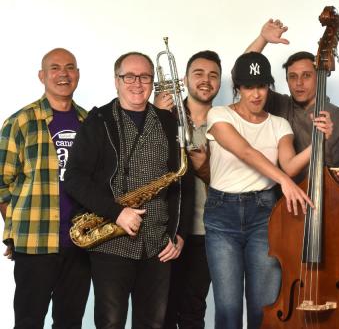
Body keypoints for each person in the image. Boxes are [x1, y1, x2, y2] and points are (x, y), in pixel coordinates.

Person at [64, 51, 192, 328]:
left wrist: (179, 233)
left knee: (153, 324)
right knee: (110, 324)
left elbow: (184, 182)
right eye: (129, 76)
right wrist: (117, 211)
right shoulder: (98, 121)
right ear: (116, 81)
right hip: (111, 242)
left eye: (145, 77)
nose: (137, 83)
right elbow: (73, 177)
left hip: (158, 245)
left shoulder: (169, 121)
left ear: (152, 81)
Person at [204, 51, 330, 329]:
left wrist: (318, 140)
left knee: (264, 306)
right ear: (237, 88)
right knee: (228, 308)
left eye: (262, 86)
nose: (256, 94)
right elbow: (246, 152)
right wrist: (283, 181)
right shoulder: (219, 115)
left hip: (263, 215)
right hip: (221, 215)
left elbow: (290, 165)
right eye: (249, 87)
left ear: (269, 87)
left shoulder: (279, 124)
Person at [0, 48, 90, 328]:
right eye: (55, 68)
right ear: (42, 75)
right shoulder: (21, 122)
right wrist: (16, 229)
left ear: (77, 74)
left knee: (70, 322)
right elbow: (1, 183)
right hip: (35, 243)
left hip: (81, 243)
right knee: (28, 321)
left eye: (70, 67)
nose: (63, 73)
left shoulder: (90, 123)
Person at [155, 50, 222, 329]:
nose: (206, 81)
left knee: (194, 309)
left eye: (213, 75)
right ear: (184, 79)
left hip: (208, 232)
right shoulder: (163, 116)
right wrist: (155, 114)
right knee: (162, 310)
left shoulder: (227, 122)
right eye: (199, 74)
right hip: (167, 229)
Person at [246, 18, 339, 182]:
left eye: (306, 75)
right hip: (279, 200)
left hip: (324, 202)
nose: (299, 83)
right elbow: (245, 75)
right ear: (287, 80)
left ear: (319, 77)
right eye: (293, 77)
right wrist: (262, 39)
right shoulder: (278, 104)